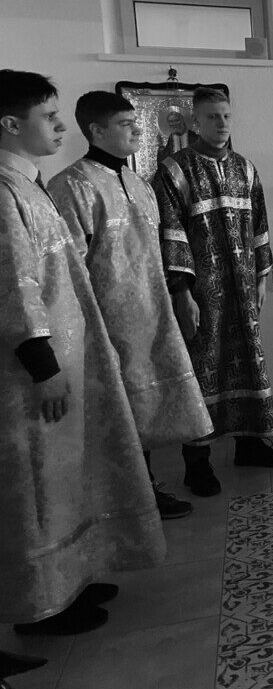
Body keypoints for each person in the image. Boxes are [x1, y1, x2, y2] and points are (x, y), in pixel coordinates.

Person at [0, 70, 164, 640]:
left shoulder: (28, 183)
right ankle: (43, 604)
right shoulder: (4, 191)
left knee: (69, 473)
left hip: (67, 356)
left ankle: (73, 578)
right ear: (10, 123)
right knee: (41, 486)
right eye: (49, 117)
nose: (60, 126)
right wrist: (43, 367)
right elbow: (13, 284)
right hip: (31, 374)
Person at [49, 91, 214, 520]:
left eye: (136, 122)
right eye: (125, 124)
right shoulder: (72, 185)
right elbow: (68, 265)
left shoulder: (140, 183)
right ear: (97, 130)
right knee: (115, 409)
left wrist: (176, 296)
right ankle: (128, 499)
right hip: (103, 318)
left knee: (141, 406)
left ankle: (144, 491)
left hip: (150, 311)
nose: (137, 130)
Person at [154, 87, 273, 498]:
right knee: (203, 368)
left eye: (227, 115)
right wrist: (182, 293)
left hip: (243, 287)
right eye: (212, 116)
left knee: (247, 359)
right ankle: (197, 464)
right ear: (195, 121)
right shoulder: (175, 170)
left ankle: (250, 445)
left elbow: (259, 225)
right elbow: (171, 232)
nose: (222, 123)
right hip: (202, 292)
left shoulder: (245, 169)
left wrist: (261, 278)